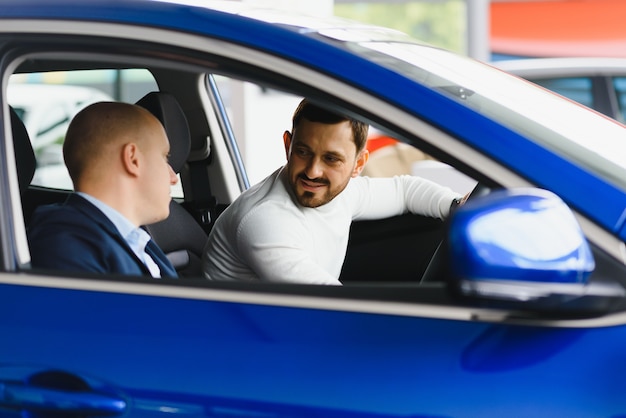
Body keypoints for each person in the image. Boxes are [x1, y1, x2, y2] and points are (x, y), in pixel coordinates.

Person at [202, 99, 464, 285]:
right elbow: (336, 309)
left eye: (331, 159)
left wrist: (456, 207)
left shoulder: (343, 192)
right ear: (287, 145)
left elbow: (404, 191)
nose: (313, 171)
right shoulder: (266, 221)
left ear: (358, 164)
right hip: (248, 351)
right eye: (303, 152)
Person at [27, 101, 178, 278]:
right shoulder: (65, 245)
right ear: (133, 159)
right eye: (165, 158)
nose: (173, 178)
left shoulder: (138, 240)